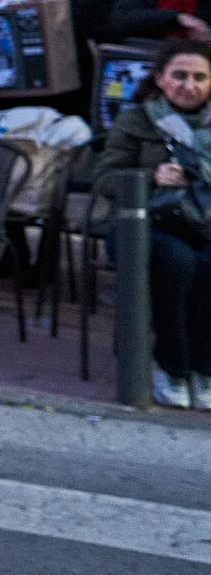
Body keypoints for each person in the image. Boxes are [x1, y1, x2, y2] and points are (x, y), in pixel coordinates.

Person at [92, 40, 211, 409]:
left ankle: (205, 370)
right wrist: (152, 175)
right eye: (179, 76)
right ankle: (174, 368)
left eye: (199, 77)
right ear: (160, 78)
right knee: (178, 263)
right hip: (142, 224)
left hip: (204, 223)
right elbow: (104, 179)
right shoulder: (137, 120)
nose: (188, 85)